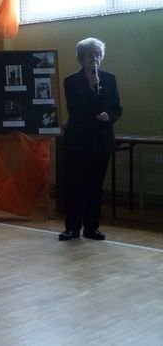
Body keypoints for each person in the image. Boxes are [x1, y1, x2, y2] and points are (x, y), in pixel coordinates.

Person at [59, 37, 122, 241]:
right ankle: (72, 228)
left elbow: (116, 108)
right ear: (81, 58)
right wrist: (91, 90)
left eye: (98, 54)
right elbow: (75, 109)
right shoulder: (71, 81)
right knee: (76, 185)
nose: (94, 58)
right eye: (90, 55)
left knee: (96, 186)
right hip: (78, 140)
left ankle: (92, 227)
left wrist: (108, 116)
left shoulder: (110, 79)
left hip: (101, 140)